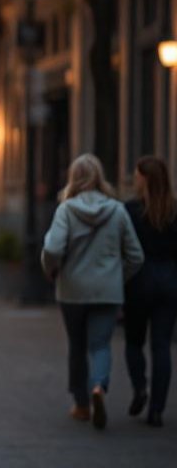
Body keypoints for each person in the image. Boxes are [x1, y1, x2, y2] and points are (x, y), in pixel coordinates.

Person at [41, 153, 143, 430]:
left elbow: (52, 249)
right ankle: (99, 386)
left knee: (77, 346)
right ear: (99, 177)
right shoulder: (117, 209)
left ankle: (82, 404)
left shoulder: (66, 210)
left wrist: (50, 269)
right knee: (100, 345)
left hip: (72, 290)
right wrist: (116, 277)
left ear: (73, 177)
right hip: (107, 291)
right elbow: (136, 256)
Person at [122, 156, 176, 427]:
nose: (133, 179)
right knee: (162, 346)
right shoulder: (174, 210)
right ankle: (157, 409)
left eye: (136, 175)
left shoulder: (130, 210)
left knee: (133, 341)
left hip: (138, 283)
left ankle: (140, 386)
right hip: (169, 283)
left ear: (144, 178)